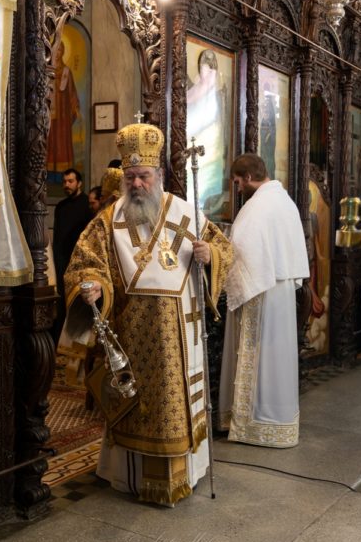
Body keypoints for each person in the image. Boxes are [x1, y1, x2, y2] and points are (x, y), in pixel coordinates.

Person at [63, 122, 233, 506]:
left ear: (158, 175)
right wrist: (94, 286)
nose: (137, 184)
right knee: (133, 402)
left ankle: (186, 473)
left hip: (181, 337)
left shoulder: (185, 212)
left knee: (176, 404)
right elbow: (85, 263)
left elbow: (224, 248)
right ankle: (130, 478)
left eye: (144, 176)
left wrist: (209, 256)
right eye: (131, 177)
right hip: (131, 334)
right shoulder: (108, 220)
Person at [219, 154, 309, 448]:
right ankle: (277, 422)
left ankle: (254, 424)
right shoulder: (283, 200)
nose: (237, 188)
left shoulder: (257, 206)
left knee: (260, 357)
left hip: (260, 289)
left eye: (237, 182)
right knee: (276, 357)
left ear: (247, 178)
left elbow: (241, 250)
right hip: (279, 289)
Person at [52, 168, 92, 342]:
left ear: (79, 183)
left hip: (80, 262)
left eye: (70, 181)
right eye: (64, 182)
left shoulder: (87, 205)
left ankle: (75, 343)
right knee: (61, 302)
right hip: (61, 260)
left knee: (77, 302)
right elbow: (57, 236)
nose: (66, 185)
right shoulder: (60, 207)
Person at [186, 49, 227, 218]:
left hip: (212, 149)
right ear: (200, 70)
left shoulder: (216, 95)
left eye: (212, 70)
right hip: (197, 146)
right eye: (206, 69)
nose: (210, 74)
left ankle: (204, 208)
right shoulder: (194, 92)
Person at [46, 42, 81, 181]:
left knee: (61, 142)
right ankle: (49, 173)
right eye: (55, 50)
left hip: (62, 115)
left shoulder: (66, 72)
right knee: (50, 141)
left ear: (63, 52)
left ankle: (63, 175)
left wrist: (75, 107)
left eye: (60, 50)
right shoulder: (47, 70)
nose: (57, 53)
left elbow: (72, 92)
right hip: (49, 114)